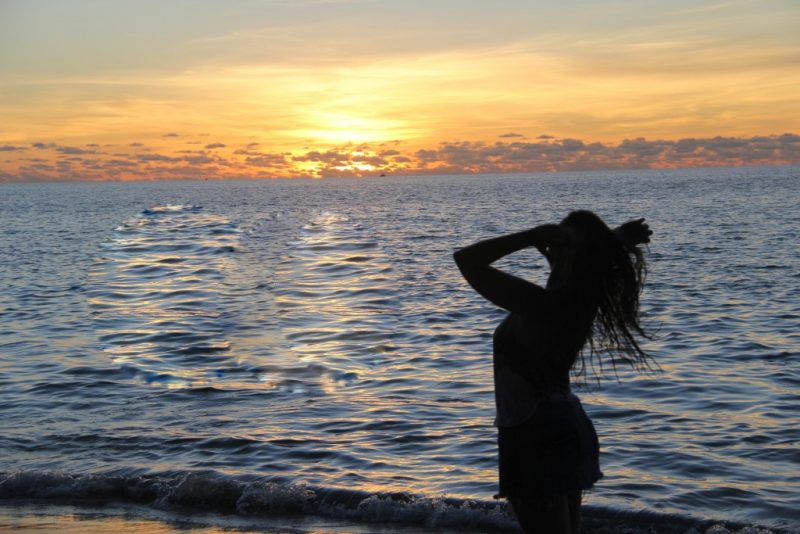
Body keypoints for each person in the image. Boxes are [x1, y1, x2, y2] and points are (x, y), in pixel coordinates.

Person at [453, 211, 652, 534]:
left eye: (561, 242)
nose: (552, 246)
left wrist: (531, 235)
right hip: (560, 423)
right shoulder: (578, 299)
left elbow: (467, 260)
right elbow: (593, 257)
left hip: (535, 431)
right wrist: (613, 239)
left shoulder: (541, 304)